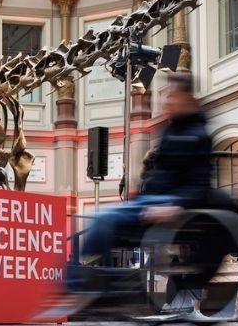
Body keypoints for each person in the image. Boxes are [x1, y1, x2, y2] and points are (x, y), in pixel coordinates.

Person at [49, 72, 214, 314]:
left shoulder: (199, 136)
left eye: (172, 95)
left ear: (186, 97)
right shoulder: (171, 131)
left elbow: (200, 184)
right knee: (98, 219)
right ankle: (85, 288)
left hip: (171, 206)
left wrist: (176, 205)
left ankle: (85, 290)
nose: (166, 100)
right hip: (149, 202)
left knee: (104, 221)